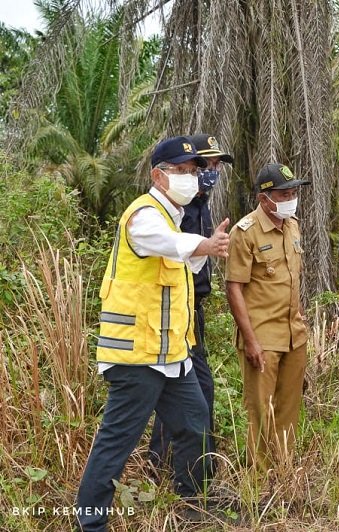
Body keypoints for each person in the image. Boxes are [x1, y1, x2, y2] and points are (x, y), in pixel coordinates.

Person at [75, 136, 230, 532]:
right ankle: (90, 524)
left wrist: (202, 251)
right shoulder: (143, 215)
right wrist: (203, 244)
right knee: (117, 443)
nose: (191, 178)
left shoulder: (173, 218)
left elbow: (183, 268)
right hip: (136, 357)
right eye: (181, 171)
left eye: (193, 171)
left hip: (171, 355)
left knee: (195, 421)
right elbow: (166, 245)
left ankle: (194, 502)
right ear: (158, 176)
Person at [149, 133, 233, 470]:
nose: (211, 171)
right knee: (192, 391)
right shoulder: (171, 209)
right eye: (206, 164)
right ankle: (180, 468)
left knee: (186, 391)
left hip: (189, 310)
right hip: (169, 312)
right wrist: (207, 247)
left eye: (214, 166)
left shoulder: (199, 204)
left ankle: (176, 467)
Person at [225, 163, 310, 471]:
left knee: (289, 408)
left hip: (293, 334)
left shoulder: (293, 226)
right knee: (261, 409)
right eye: (284, 194)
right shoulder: (245, 232)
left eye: (293, 193)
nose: (291, 198)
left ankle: (283, 473)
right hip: (262, 336)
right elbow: (234, 288)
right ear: (264, 199)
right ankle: (259, 481)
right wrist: (249, 340)